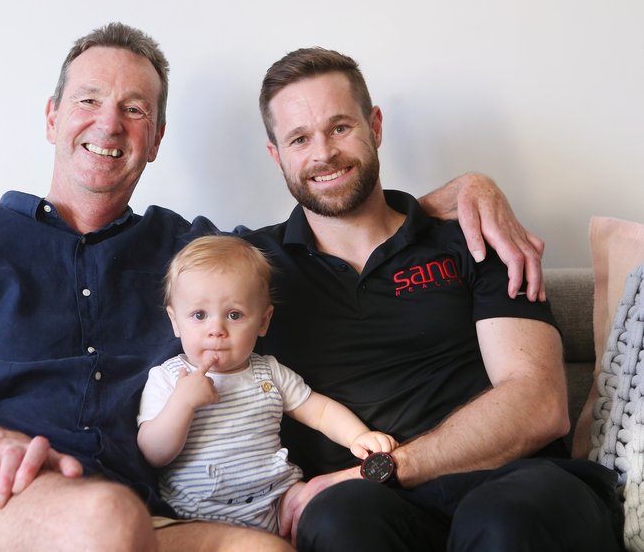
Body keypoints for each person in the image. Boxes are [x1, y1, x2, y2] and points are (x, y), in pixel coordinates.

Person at [0, 22, 547, 551]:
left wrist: (457, 196)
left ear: (155, 139)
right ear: (52, 118)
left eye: (135, 109)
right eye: (89, 100)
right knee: (104, 516)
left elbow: (340, 205)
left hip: (125, 501)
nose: (109, 123)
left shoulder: (186, 251)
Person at [238, 47, 623, 550]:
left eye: (339, 128)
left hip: (515, 483)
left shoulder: (474, 238)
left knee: (505, 517)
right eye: (299, 138)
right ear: (276, 156)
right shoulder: (252, 268)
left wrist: (383, 468)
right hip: (367, 508)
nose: (323, 153)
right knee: (337, 520)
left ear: (375, 126)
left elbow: (539, 404)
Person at [137, 235, 396, 533]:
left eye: (234, 315)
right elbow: (154, 453)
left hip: (278, 497)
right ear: (175, 321)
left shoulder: (268, 372)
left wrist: (357, 436)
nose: (216, 330)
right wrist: (182, 403)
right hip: (203, 513)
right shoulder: (170, 378)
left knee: (328, 507)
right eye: (198, 315)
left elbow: (319, 410)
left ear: (263, 321)